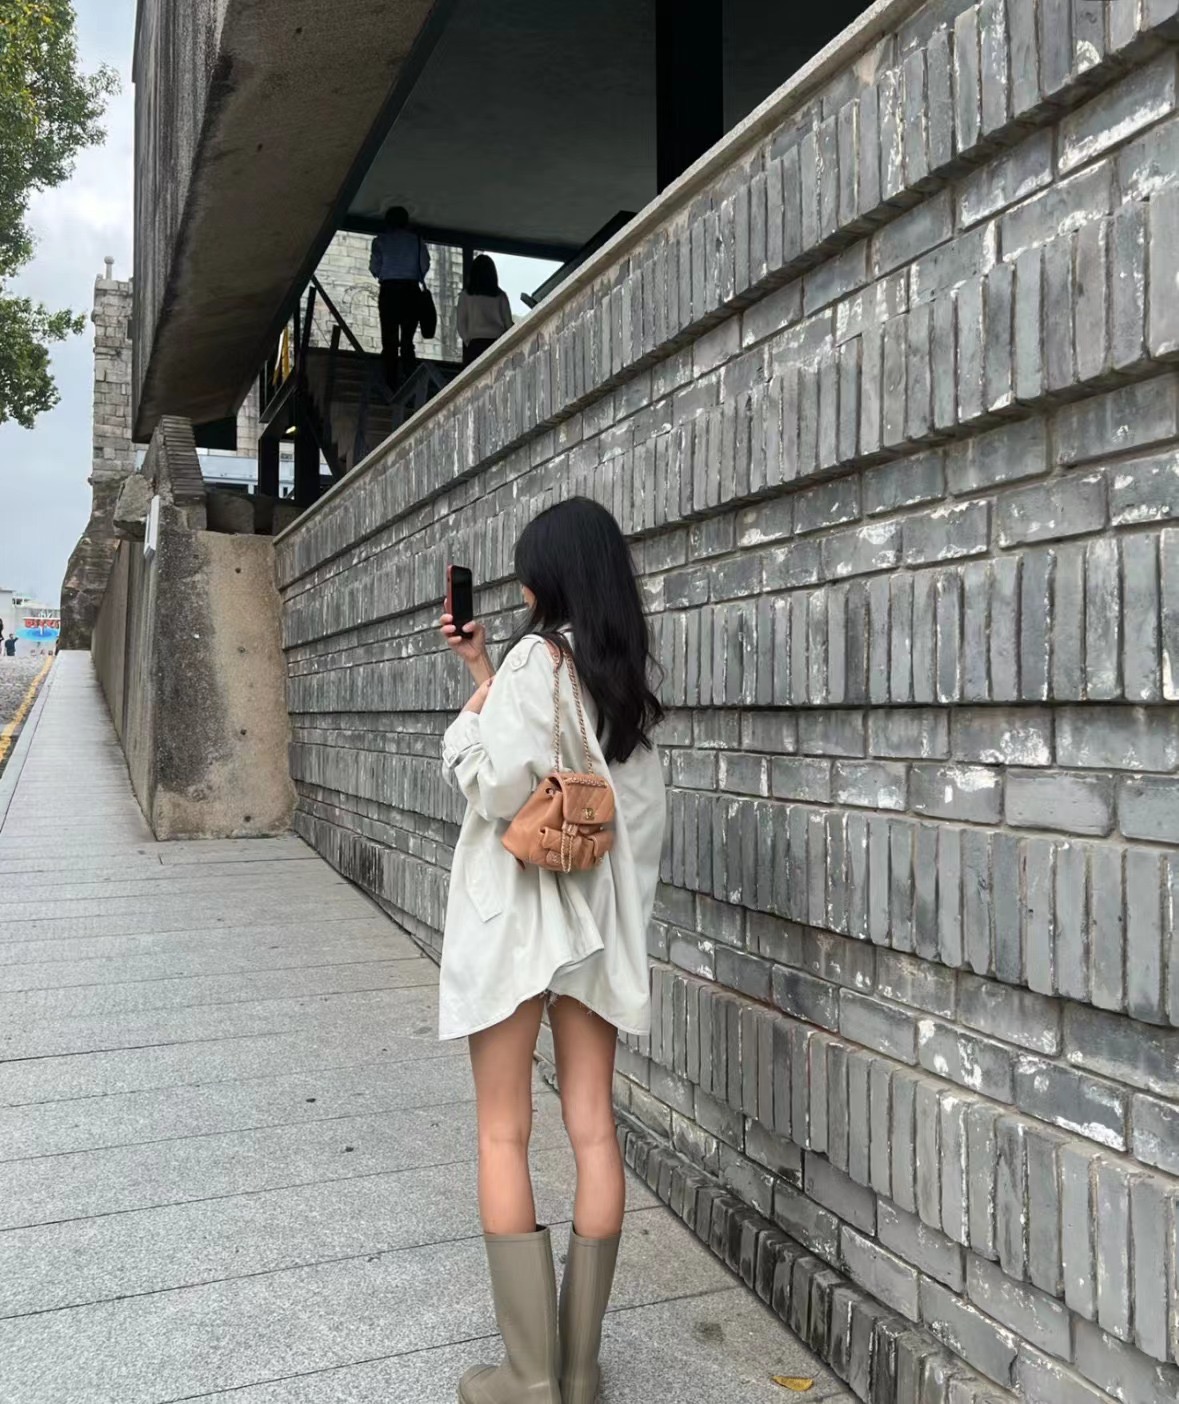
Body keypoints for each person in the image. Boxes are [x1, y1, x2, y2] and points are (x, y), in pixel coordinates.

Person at [439, 497, 666, 1404]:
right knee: (592, 1127)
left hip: (520, 925)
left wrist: (467, 715)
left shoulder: (537, 660)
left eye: (528, 574)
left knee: (503, 1129)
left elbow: (499, 780)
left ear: (547, 579)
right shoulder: (623, 688)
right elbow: (623, 818)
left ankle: (528, 1379)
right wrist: (484, 667)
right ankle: (577, 1369)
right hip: (598, 931)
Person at [370, 205, 430, 388]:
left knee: (389, 341)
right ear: (406, 222)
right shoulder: (417, 241)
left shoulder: (380, 241)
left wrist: (386, 272)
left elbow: (374, 268)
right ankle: (410, 381)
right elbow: (424, 265)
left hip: (389, 291)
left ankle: (390, 384)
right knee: (407, 341)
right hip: (411, 291)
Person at [457, 255, 513, 367]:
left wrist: (469, 341)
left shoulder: (465, 295)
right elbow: (508, 325)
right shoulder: (500, 296)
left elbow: (461, 325)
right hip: (497, 343)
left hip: (475, 345)